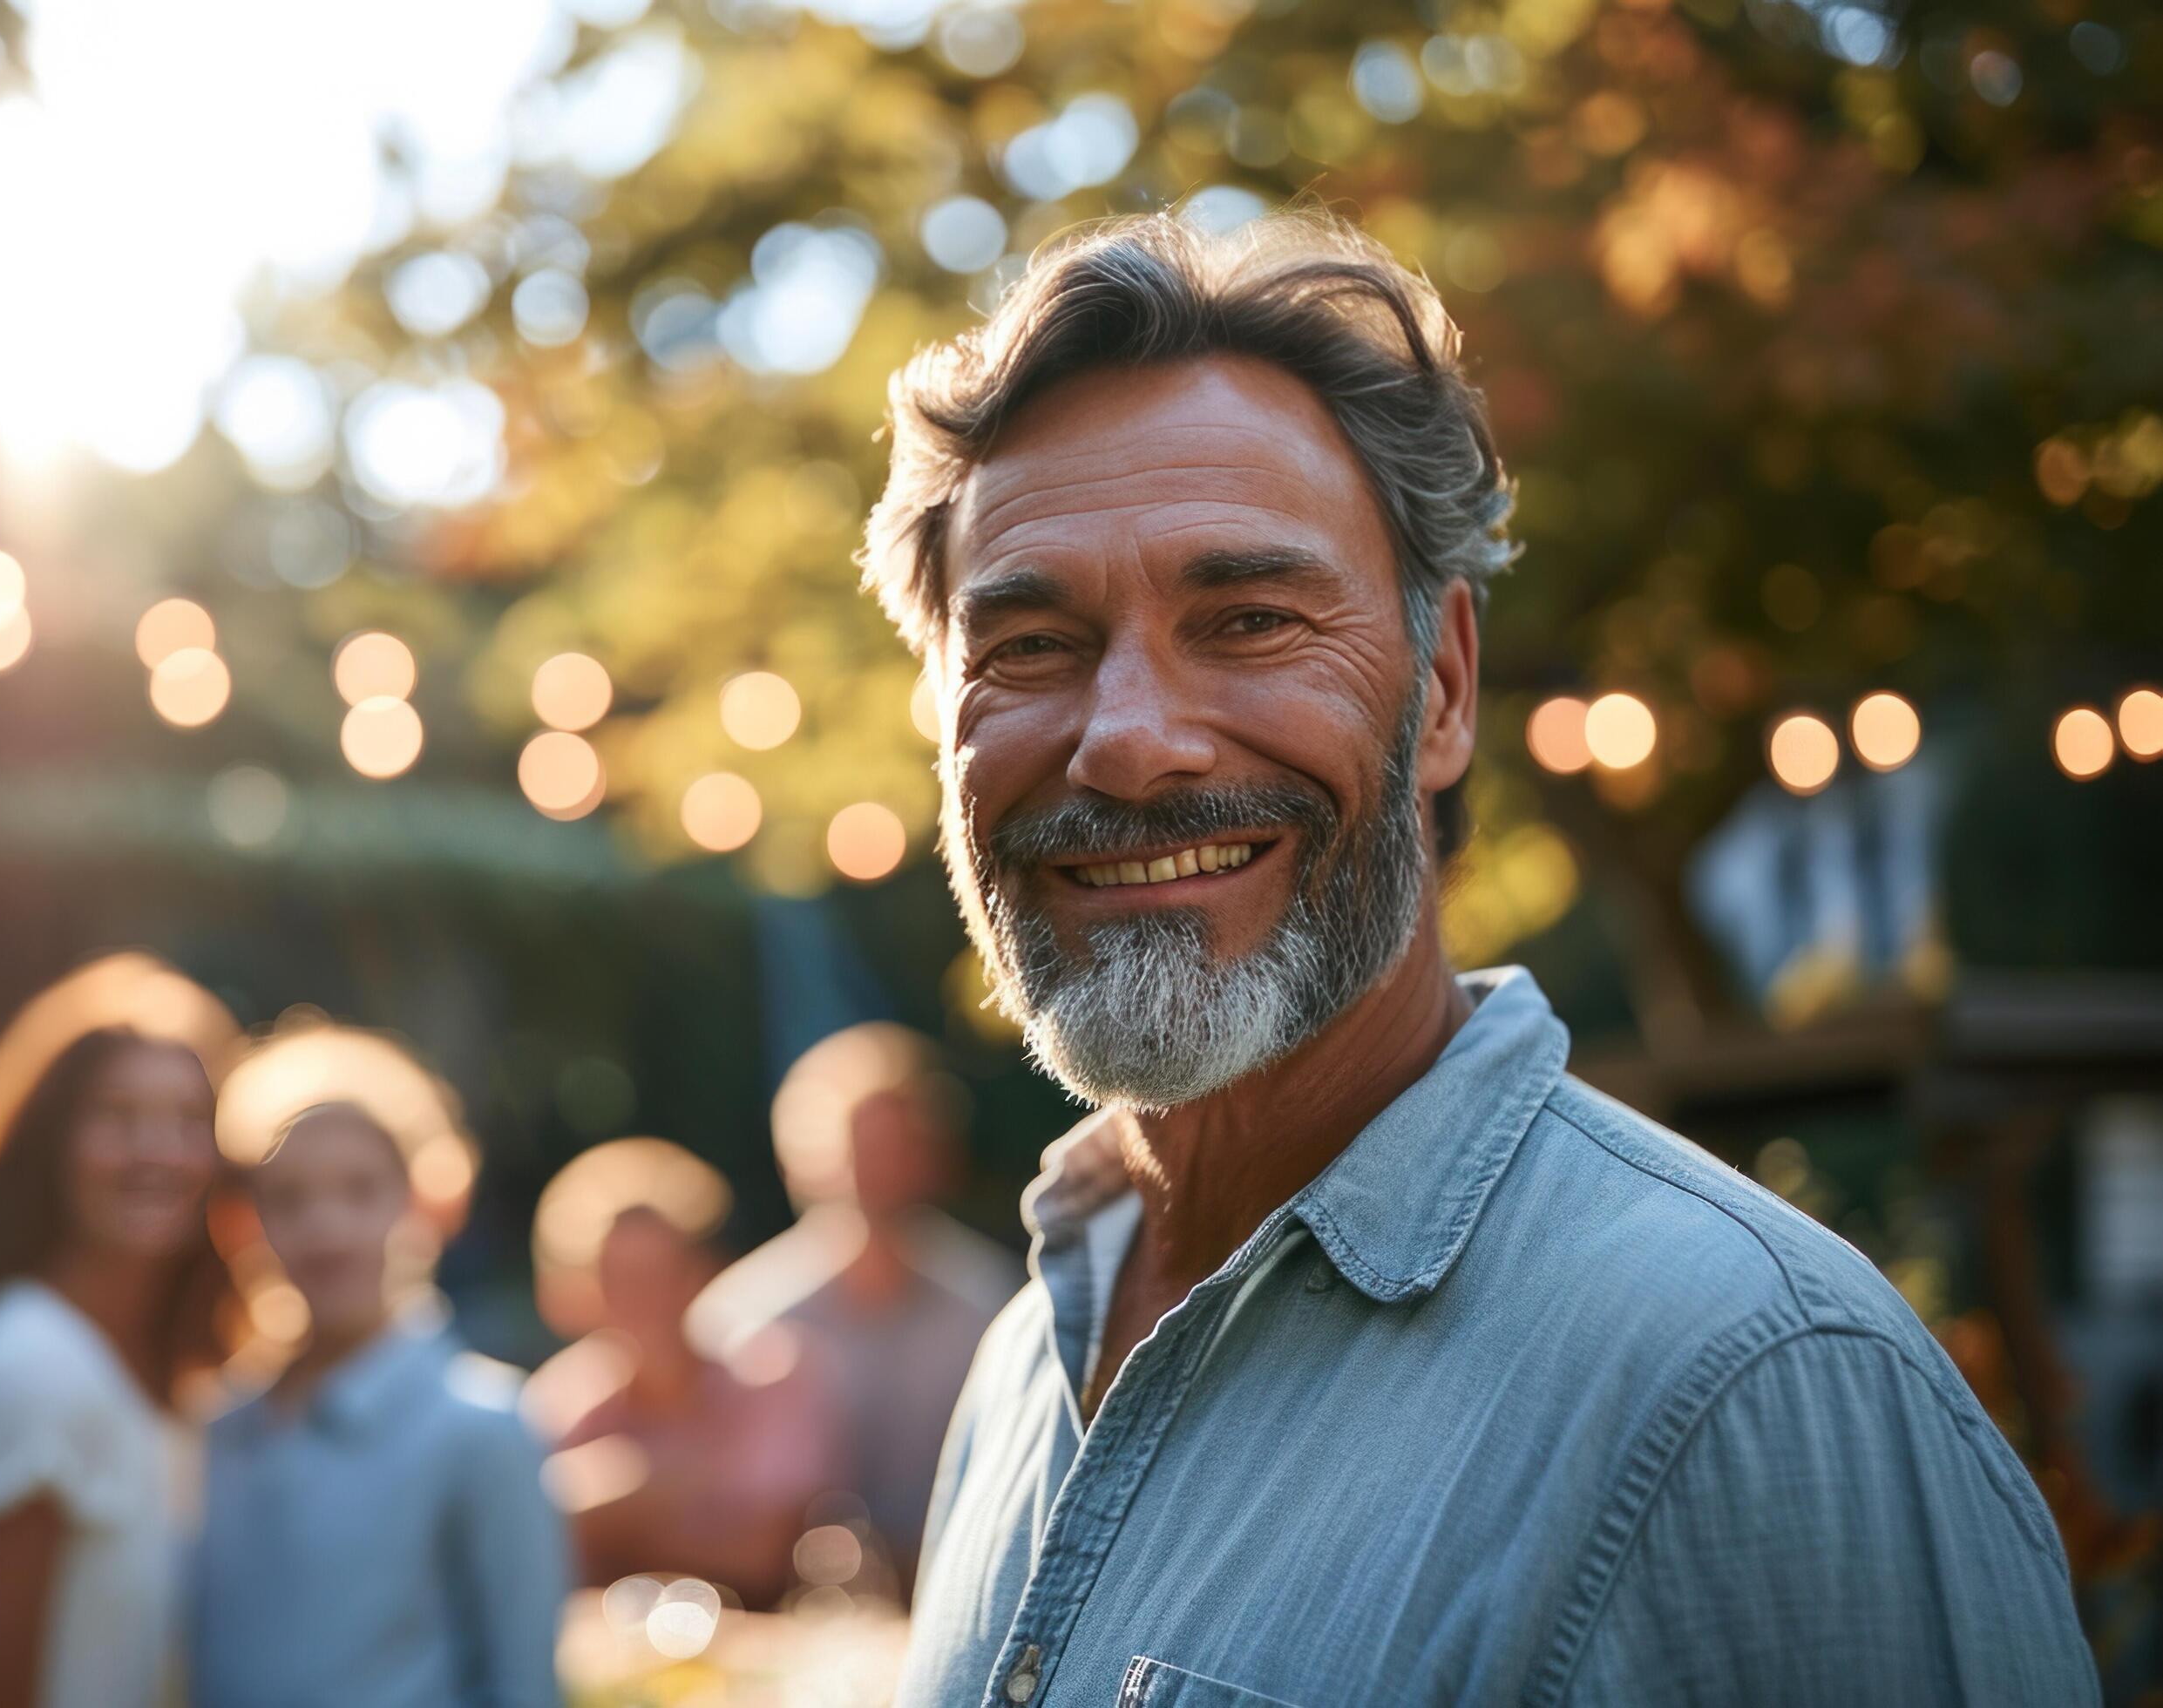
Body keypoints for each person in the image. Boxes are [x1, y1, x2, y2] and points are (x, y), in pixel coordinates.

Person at [859, 208, 2099, 1705]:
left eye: (1247, 620)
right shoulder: (1018, 1369)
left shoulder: (1752, 1391)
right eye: (1028, 649)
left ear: (1440, 689)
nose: (1125, 740)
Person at [0, 952, 242, 1708]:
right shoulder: (31, 1373)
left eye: (188, 1121)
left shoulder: (160, 1374)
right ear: (51, 1141)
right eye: (119, 1116)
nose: (157, 1151)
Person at [189, 1020, 566, 1708]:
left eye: (360, 1189)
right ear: (249, 1221)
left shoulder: (481, 1427)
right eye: (290, 1197)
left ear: (424, 1200)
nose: (325, 1227)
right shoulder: (218, 1424)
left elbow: (522, 1684)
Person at [688, 1023, 1019, 1589]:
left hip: (955, 1590)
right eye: (859, 1147)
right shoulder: (742, 1316)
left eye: (896, 1145)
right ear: (801, 1158)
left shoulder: (993, 1305)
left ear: (935, 1154)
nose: (877, 1169)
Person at [524, 1136, 843, 1610]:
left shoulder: (770, 1377)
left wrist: (601, 1515)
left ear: (700, 1273)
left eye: (662, 1273)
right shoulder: (564, 1397)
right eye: (621, 1278)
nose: (645, 1300)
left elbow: (761, 1558)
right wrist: (639, 1487)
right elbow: (517, 1535)